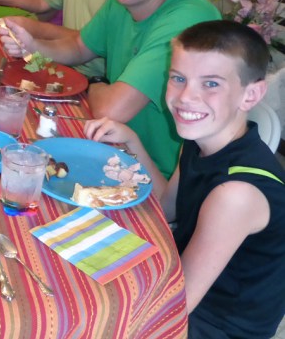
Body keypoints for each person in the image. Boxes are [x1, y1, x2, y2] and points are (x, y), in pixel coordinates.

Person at [85, 20, 285, 339]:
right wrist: (133, 141)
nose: (185, 97)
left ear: (251, 95)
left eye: (211, 84)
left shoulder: (237, 194)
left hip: (211, 324)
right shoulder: (198, 140)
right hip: (183, 284)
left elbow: (175, 306)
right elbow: (167, 209)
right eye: (178, 78)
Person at [0, 0, 220, 177]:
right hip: (114, 148)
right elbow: (79, 46)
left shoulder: (188, 19)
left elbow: (111, 109)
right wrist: (32, 47)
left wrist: (96, 85)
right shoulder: (121, 1)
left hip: (160, 179)